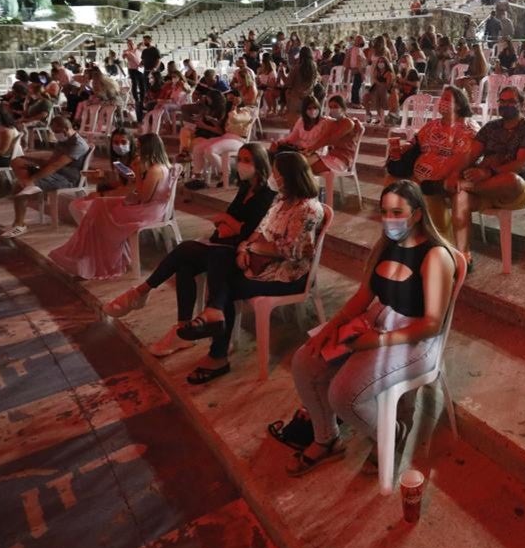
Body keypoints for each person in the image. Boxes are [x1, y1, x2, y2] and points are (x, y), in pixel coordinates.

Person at [287, 180, 457, 476]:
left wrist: (376, 343)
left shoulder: (434, 256)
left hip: (416, 337)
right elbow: (364, 296)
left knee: (343, 395)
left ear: (417, 214)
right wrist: (331, 327)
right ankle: (326, 439)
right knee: (305, 361)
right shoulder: (386, 247)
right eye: (384, 212)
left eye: (397, 212)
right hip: (379, 320)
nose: (390, 219)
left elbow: (432, 324)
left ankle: (391, 432)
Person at [105, 144, 276, 355]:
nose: (241, 164)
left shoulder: (267, 195)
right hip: (222, 244)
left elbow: (249, 230)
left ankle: (142, 292)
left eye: (247, 160)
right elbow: (227, 223)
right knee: (184, 266)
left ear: (260, 165)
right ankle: (181, 329)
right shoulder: (244, 190)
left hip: (237, 252)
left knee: (186, 249)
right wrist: (228, 223)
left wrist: (227, 221)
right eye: (240, 158)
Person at [174, 152, 326, 385]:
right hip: (262, 262)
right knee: (220, 256)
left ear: (288, 176)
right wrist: (245, 247)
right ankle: (214, 322)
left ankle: (217, 352)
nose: (273, 176)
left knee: (224, 284)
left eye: (276, 172)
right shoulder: (281, 200)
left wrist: (253, 248)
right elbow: (262, 227)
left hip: (287, 273)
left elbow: (292, 251)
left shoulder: (309, 209)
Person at [48, 134, 175, 279]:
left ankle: (103, 262)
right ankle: (89, 258)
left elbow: (143, 197)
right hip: (145, 206)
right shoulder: (156, 167)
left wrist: (138, 174)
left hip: (149, 210)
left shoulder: (155, 170)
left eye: (140, 147)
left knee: (100, 220)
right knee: (99, 205)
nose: (137, 150)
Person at [451, 86, 525, 269]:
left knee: (510, 178)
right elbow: (471, 154)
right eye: (502, 101)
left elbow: (520, 164)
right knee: (460, 199)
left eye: (511, 102)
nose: (506, 105)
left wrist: (487, 172)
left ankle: (464, 186)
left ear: (521, 104)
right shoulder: (491, 128)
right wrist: (455, 172)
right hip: (487, 189)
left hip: (516, 192)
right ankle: (464, 255)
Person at [385, 86, 478, 239]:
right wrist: (406, 147)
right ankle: (403, 233)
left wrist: (426, 180)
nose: (442, 102)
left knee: (427, 192)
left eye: (447, 99)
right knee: (391, 182)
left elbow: (463, 160)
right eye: (442, 98)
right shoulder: (432, 125)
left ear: (459, 105)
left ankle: (440, 241)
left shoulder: (467, 128)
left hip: (444, 180)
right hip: (420, 175)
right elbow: (417, 141)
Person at [1, 116, 92, 238]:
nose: (55, 134)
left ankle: (19, 224)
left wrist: (32, 179)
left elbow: (56, 165)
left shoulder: (78, 144)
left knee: (20, 188)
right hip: (55, 173)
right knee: (18, 162)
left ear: (65, 129)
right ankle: (28, 186)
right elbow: (52, 162)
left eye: (56, 131)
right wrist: (33, 162)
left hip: (67, 179)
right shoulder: (62, 141)